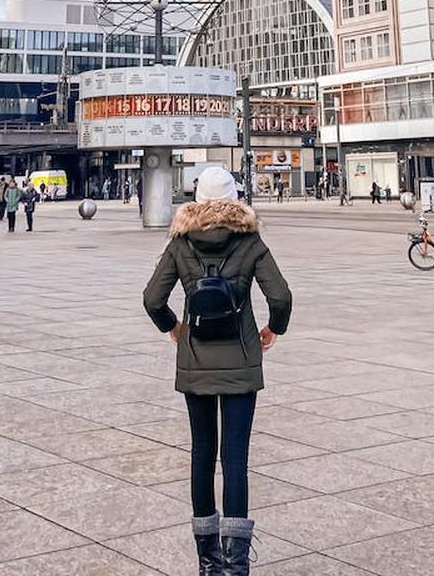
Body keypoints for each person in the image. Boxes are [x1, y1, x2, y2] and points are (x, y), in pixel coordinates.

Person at [143, 163, 292, 576]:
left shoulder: (180, 240)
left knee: (202, 455)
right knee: (236, 460)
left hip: (196, 359)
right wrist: (272, 329)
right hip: (241, 358)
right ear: (233, 197)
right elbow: (280, 296)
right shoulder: (250, 239)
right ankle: (237, 564)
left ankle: (208, 560)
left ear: (197, 197)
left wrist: (174, 328)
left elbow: (152, 298)